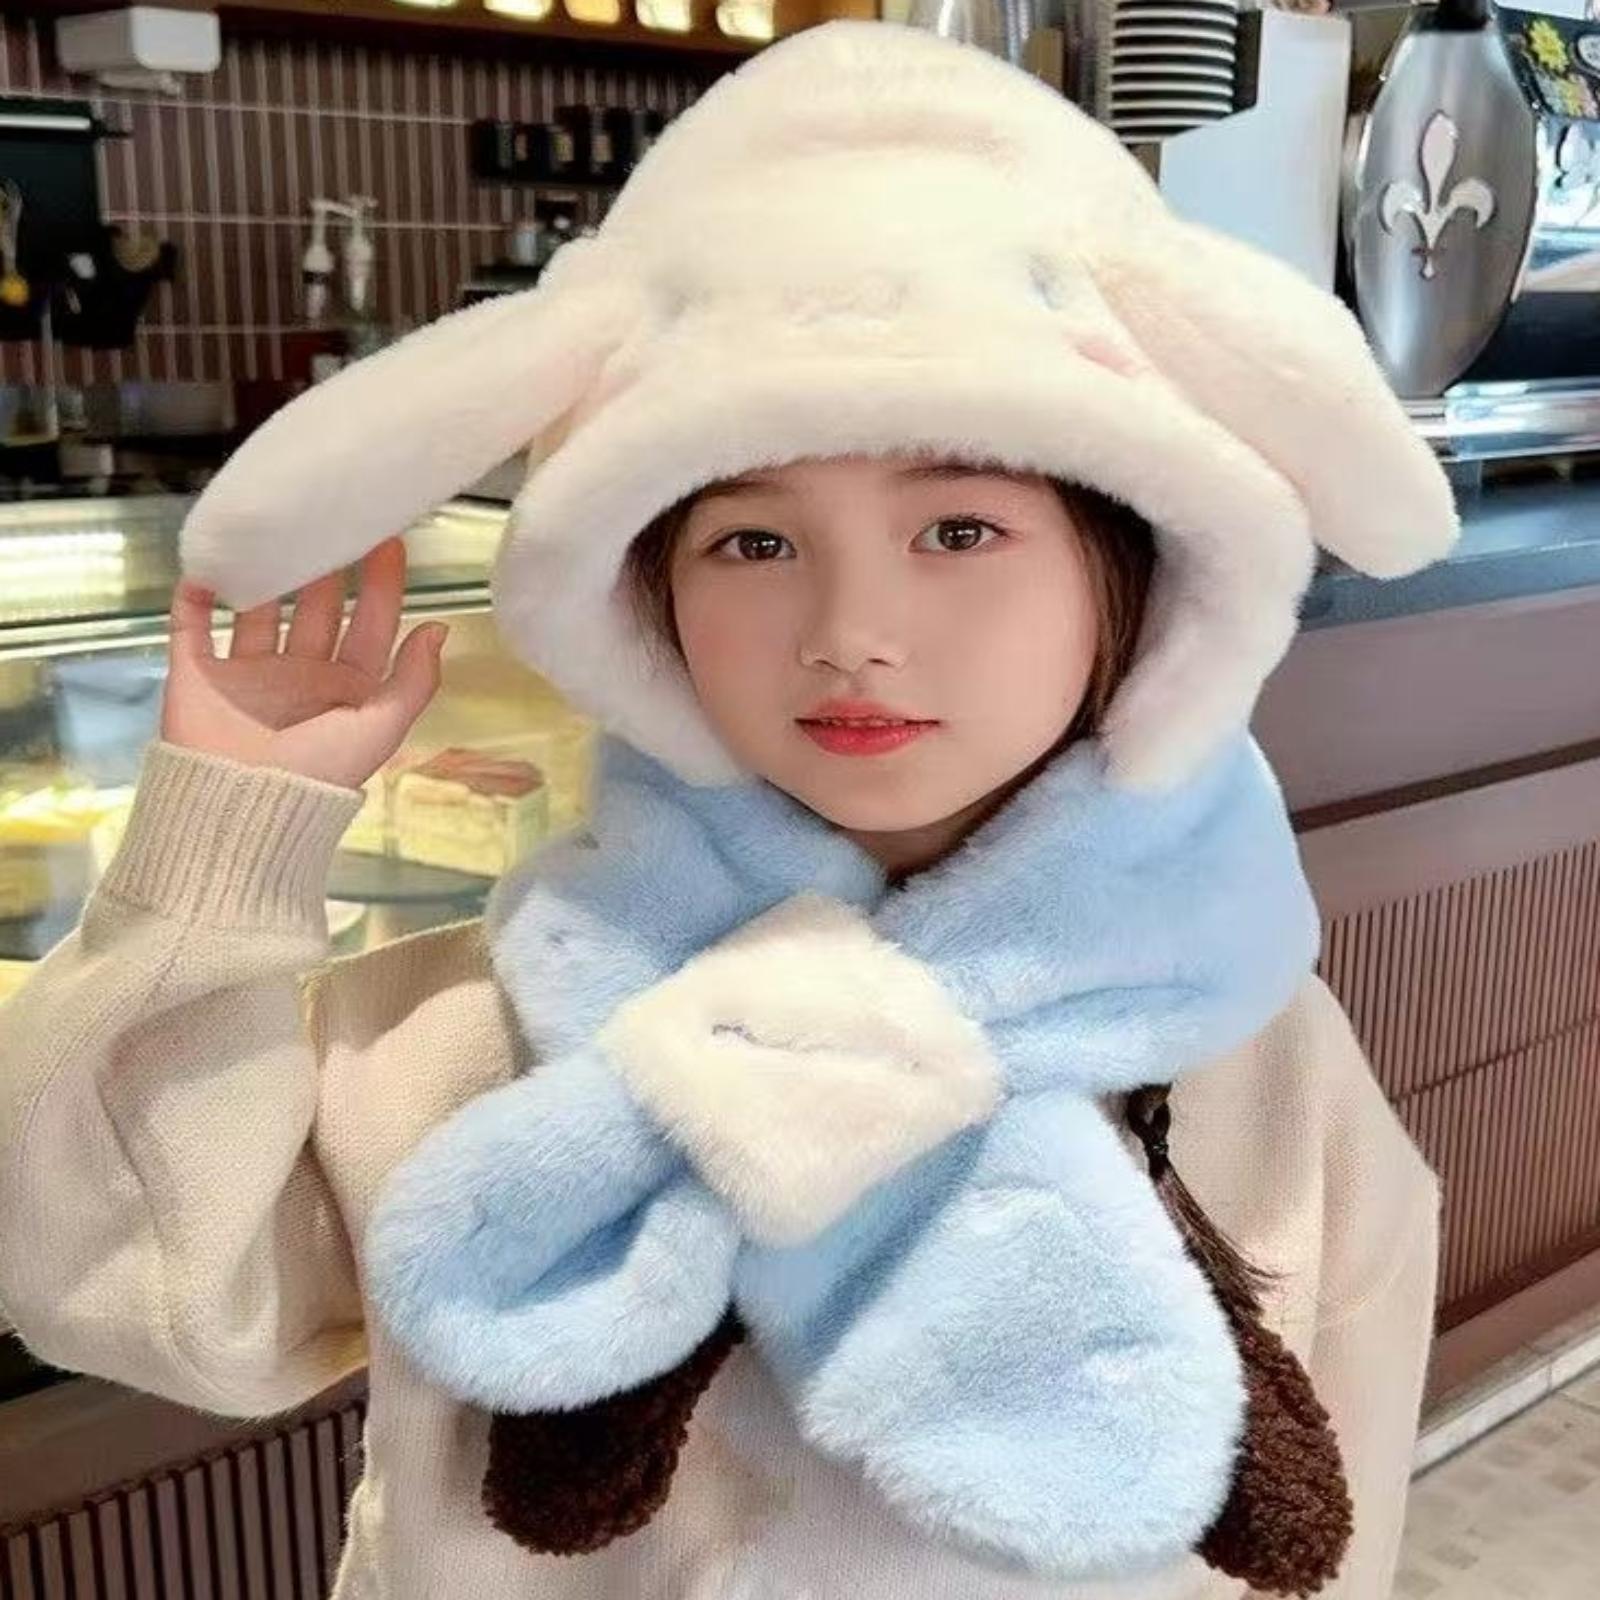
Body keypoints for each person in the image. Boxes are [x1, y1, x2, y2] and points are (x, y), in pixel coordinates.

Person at [0, 20, 1457, 1600]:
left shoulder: (1253, 1053)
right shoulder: (489, 1029)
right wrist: (221, 849)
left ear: (1139, 572)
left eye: (960, 528)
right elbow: (130, 1287)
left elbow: (1342, 1507)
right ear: (645, 607)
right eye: (753, 543)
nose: (850, 631)